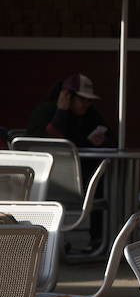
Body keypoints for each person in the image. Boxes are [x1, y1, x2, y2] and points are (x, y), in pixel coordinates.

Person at [26, 74, 115, 253]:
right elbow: (39, 145)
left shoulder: (89, 113)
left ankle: (98, 240)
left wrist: (102, 140)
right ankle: (51, 242)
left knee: (101, 178)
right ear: (67, 96)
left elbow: (113, 138)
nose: (86, 104)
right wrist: (61, 111)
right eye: (82, 99)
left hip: (79, 178)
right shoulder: (47, 111)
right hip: (47, 180)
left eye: (88, 101)